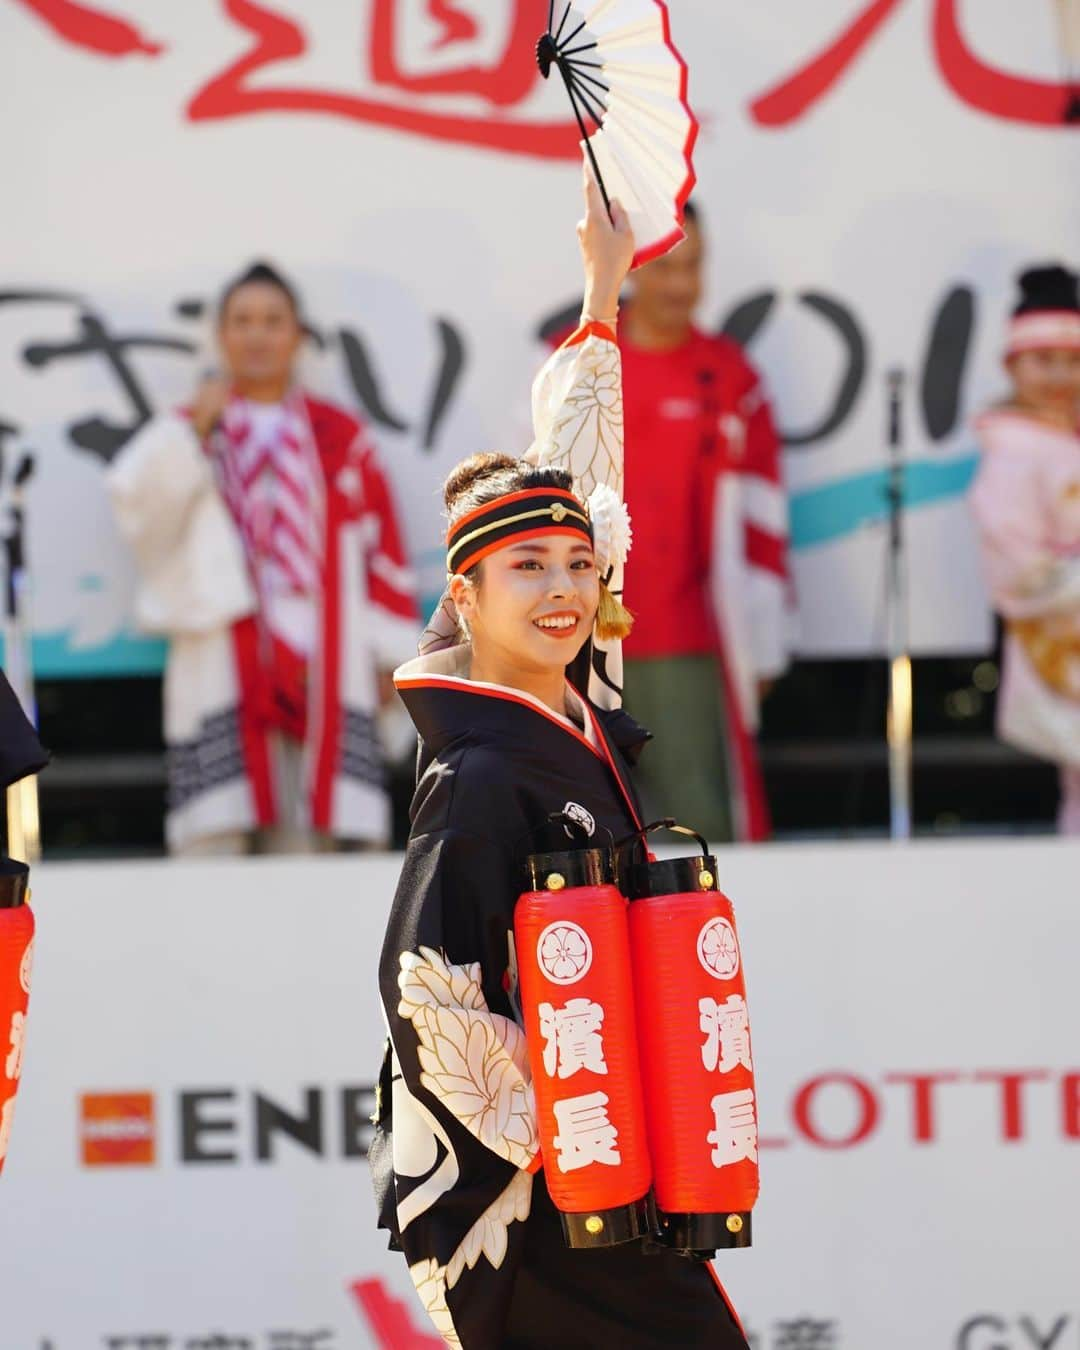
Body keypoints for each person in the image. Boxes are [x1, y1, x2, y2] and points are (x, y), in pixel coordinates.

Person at [371, 172, 750, 1350]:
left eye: (579, 568)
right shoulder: (480, 776)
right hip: (532, 1207)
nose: (565, 590)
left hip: (611, 1180)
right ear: (462, 598)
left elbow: (589, 477)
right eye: (525, 570)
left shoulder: (582, 713)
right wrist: (579, 1122)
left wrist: (602, 288)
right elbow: (423, 988)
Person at [108, 262, 418, 855]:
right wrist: (195, 431)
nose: (257, 335)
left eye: (273, 321)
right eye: (242, 321)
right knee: (214, 831)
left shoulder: (338, 434)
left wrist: (387, 652)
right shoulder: (193, 425)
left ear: (298, 336)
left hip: (323, 650)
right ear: (220, 335)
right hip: (222, 643)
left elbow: (383, 547)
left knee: (306, 835)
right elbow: (139, 511)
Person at [547, 202, 793, 842]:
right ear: (632, 268)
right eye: (667, 268)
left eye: (695, 266)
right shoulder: (582, 363)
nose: (682, 284)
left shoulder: (730, 375)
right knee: (585, 838)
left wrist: (760, 641)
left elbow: (764, 519)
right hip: (582, 641)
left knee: (698, 835)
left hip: (689, 641)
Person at [970, 263, 1080, 833]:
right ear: (1013, 365)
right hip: (1062, 630)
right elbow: (1017, 568)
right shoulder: (1012, 448)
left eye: (1072, 361)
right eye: (1044, 361)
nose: (1060, 376)